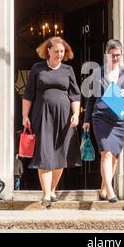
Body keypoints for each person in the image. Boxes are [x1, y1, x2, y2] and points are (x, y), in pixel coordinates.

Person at [22, 36, 81, 207]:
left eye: (62, 52)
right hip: (42, 116)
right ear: (48, 51)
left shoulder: (68, 70)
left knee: (60, 154)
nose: (59, 54)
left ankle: (52, 190)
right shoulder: (38, 68)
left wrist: (76, 114)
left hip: (64, 118)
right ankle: (46, 194)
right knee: (45, 153)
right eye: (56, 51)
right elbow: (28, 94)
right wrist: (25, 116)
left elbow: (75, 95)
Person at [82, 39, 124, 203]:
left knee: (113, 157)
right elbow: (91, 99)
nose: (115, 59)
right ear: (107, 54)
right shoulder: (97, 73)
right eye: (112, 55)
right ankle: (111, 191)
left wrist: (123, 94)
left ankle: (104, 188)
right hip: (101, 117)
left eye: (118, 55)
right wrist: (86, 120)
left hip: (119, 120)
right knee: (105, 153)